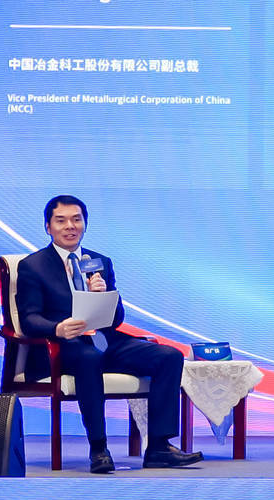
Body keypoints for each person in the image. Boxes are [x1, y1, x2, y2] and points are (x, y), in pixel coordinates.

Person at [14, 195, 202, 475]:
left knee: (169, 356)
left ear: (85, 224)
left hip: (102, 340)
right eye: (61, 221)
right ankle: (99, 448)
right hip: (62, 346)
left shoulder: (99, 261)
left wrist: (103, 295)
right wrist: (57, 328)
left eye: (76, 220)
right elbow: (29, 318)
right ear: (48, 227)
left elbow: (116, 318)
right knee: (88, 357)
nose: (70, 226)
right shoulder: (33, 265)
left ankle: (159, 447)